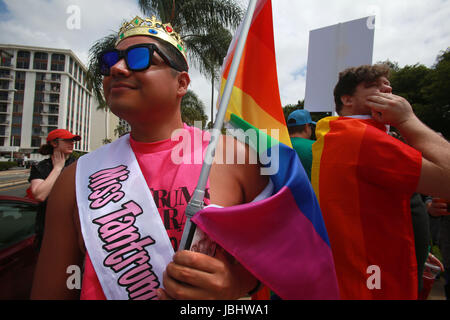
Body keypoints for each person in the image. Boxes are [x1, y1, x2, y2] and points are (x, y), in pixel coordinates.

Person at [31, 16, 268, 300]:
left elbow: (286, 266)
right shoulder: (75, 179)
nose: (117, 69)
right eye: (109, 61)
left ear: (181, 83)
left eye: (139, 58)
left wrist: (238, 284)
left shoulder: (236, 158)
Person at [311, 64, 450, 299]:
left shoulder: (338, 132)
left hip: (365, 271)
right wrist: (407, 119)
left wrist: (418, 249)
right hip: (378, 280)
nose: (387, 88)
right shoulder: (364, 137)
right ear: (347, 100)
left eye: (387, 83)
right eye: (374, 86)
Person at [27, 129, 80, 250]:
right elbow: (40, 195)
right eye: (67, 140)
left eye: (73, 141)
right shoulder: (40, 167)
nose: (72, 143)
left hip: (74, 229)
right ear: (54, 143)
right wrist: (57, 168)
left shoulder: (79, 164)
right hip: (48, 232)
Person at [287, 109, 315, 180]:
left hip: (283, 190)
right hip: (308, 190)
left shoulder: (276, 146)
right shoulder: (315, 146)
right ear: (306, 127)